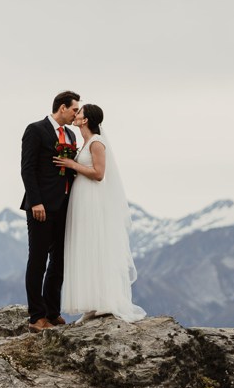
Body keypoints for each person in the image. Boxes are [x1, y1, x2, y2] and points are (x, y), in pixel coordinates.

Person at [53, 103, 144, 322]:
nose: (76, 115)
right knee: (85, 248)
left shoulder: (96, 142)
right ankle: (91, 303)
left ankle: (105, 300)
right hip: (81, 200)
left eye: (80, 113)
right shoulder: (84, 143)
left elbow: (99, 173)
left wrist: (72, 165)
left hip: (93, 200)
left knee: (96, 246)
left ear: (85, 120)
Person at [20, 90, 80, 333]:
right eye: (75, 109)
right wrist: (36, 202)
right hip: (41, 206)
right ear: (62, 107)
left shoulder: (71, 135)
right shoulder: (36, 130)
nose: (76, 114)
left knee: (59, 260)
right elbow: (27, 168)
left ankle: (52, 312)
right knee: (38, 259)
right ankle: (36, 316)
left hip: (65, 205)